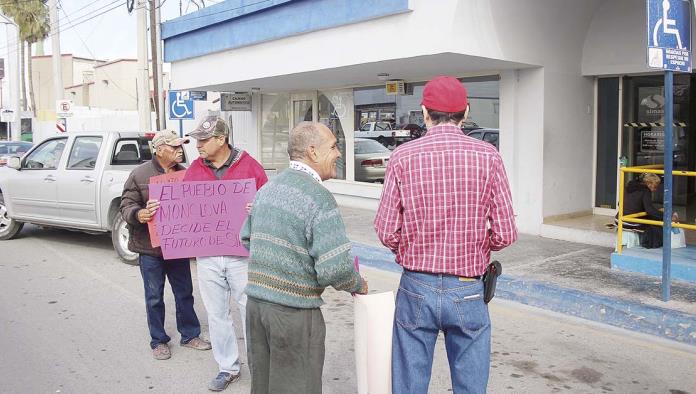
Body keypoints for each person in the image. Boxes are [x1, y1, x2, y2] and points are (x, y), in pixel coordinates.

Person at [374, 76, 517, 393]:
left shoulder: (402, 157)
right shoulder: (488, 156)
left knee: (409, 383)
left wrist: (407, 247)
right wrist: (479, 246)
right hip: (467, 286)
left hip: (416, 284)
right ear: (465, 112)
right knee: (470, 385)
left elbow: (385, 230)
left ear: (424, 112)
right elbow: (506, 233)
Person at [240, 121, 368, 394]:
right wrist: (359, 284)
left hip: (256, 308)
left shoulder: (267, 189)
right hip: (293, 313)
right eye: (333, 146)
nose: (339, 154)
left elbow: (247, 238)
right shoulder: (318, 197)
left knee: (263, 385)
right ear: (313, 151)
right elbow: (335, 269)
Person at [183, 116, 268, 392]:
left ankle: (259, 367)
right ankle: (228, 367)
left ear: (221, 139)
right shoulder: (194, 169)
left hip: (241, 254)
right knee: (216, 313)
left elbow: (269, 205)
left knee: (249, 311)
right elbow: (183, 206)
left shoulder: (251, 167)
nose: (198, 146)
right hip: (207, 254)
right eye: (197, 140)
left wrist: (259, 209)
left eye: (204, 140)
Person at [120, 129, 211, 360]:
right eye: (174, 147)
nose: (180, 150)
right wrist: (140, 214)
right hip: (150, 248)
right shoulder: (139, 175)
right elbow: (126, 206)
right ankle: (158, 341)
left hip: (178, 246)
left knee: (184, 293)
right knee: (154, 296)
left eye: (181, 146)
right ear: (159, 150)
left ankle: (190, 335)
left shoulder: (187, 174)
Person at [617, 172, 677, 248]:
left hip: (619, 218)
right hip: (631, 222)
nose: (655, 190)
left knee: (654, 214)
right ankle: (653, 242)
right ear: (648, 183)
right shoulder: (645, 191)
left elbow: (620, 203)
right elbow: (650, 211)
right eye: (655, 187)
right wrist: (667, 216)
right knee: (655, 220)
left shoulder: (628, 186)